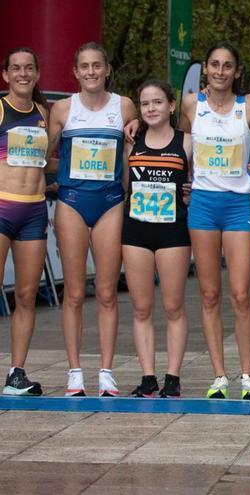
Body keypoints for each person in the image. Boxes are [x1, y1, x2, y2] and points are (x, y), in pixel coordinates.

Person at [179, 42, 250, 400]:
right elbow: (177, 142)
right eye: (214, 65)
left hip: (238, 206)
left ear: (237, 71)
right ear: (206, 69)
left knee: (240, 295)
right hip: (202, 204)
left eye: (227, 66)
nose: (220, 71)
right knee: (209, 294)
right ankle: (219, 375)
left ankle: (247, 375)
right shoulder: (191, 104)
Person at [47, 42, 137, 397]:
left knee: (105, 292)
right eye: (84, 66)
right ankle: (74, 373)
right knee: (72, 292)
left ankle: (106, 371)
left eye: (96, 65)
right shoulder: (62, 108)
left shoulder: (124, 105)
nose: (90, 72)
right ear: (75, 71)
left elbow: (134, 154)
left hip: (111, 202)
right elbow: (42, 155)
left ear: (107, 69)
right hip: (71, 201)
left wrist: (133, 194)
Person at [123, 79, 192, 398]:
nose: (151, 108)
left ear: (171, 105)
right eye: (145, 103)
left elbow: (199, 182)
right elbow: (125, 185)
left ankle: (173, 377)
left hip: (173, 232)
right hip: (136, 231)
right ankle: (148, 376)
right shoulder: (131, 141)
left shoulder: (187, 142)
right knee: (141, 308)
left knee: (173, 306)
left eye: (157, 102)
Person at [0, 47, 49, 396]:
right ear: (5, 75)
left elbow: (46, 163)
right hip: (2, 208)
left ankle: (17, 374)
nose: (22, 74)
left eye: (28, 68)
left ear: (36, 73)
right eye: (15, 68)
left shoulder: (43, 113)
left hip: (34, 212)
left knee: (28, 295)